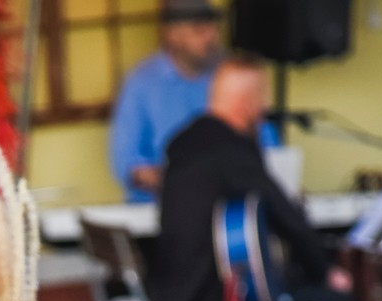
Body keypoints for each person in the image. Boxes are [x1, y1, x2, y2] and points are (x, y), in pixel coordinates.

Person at [153, 56, 353, 301]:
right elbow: (284, 214)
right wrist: (324, 269)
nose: (262, 110)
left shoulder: (185, 145)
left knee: (284, 293)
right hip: (208, 297)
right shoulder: (230, 151)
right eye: (260, 100)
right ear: (246, 103)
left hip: (168, 290)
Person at [109, 0, 279, 204]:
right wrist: (188, 181)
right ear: (172, 34)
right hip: (162, 209)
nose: (211, 37)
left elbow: (269, 145)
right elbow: (127, 164)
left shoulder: (231, 74)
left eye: (214, 28)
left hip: (233, 209)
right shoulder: (141, 84)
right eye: (199, 30)